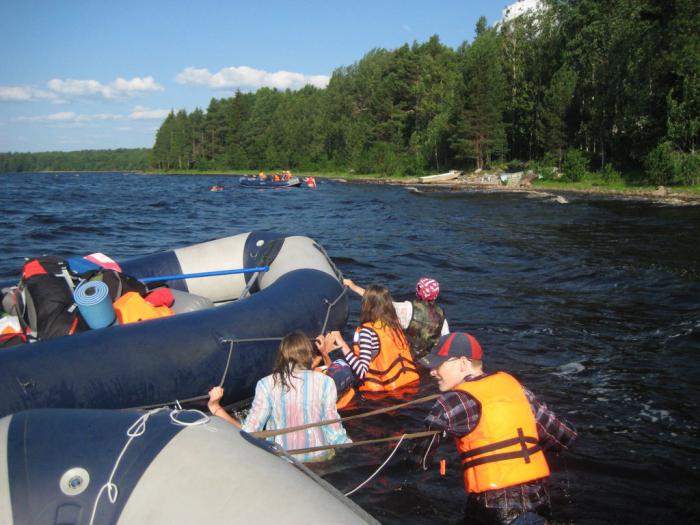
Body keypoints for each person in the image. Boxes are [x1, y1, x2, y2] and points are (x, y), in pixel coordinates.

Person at [413, 332, 577, 524]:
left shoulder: (450, 402)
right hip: (539, 505)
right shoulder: (517, 389)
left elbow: (418, 459)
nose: (432, 371)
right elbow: (565, 437)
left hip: (495, 513)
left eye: (438, 364)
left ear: (463, 363)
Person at [207, 331, 351, 462]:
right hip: (320, 458)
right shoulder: (326, 382)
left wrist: (215, 407)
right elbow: (335, 431)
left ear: (282, 356)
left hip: (285, 463)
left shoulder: (266, 384)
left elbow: (250, 432)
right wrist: (349, 446)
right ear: (309, 355)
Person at [330, 284, 420, 393]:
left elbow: (361, 371)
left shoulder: (367, 332)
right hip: (410, 385)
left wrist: (342, 344)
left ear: (367, 306)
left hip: (382, 396)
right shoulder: (394, 325)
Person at [344, 277, 449, 359]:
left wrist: (353, 286)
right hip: (428, 360)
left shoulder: (407, 308)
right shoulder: (442, 318)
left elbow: (379, 301)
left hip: (407, 356)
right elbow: (445, 342)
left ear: (418, 291)